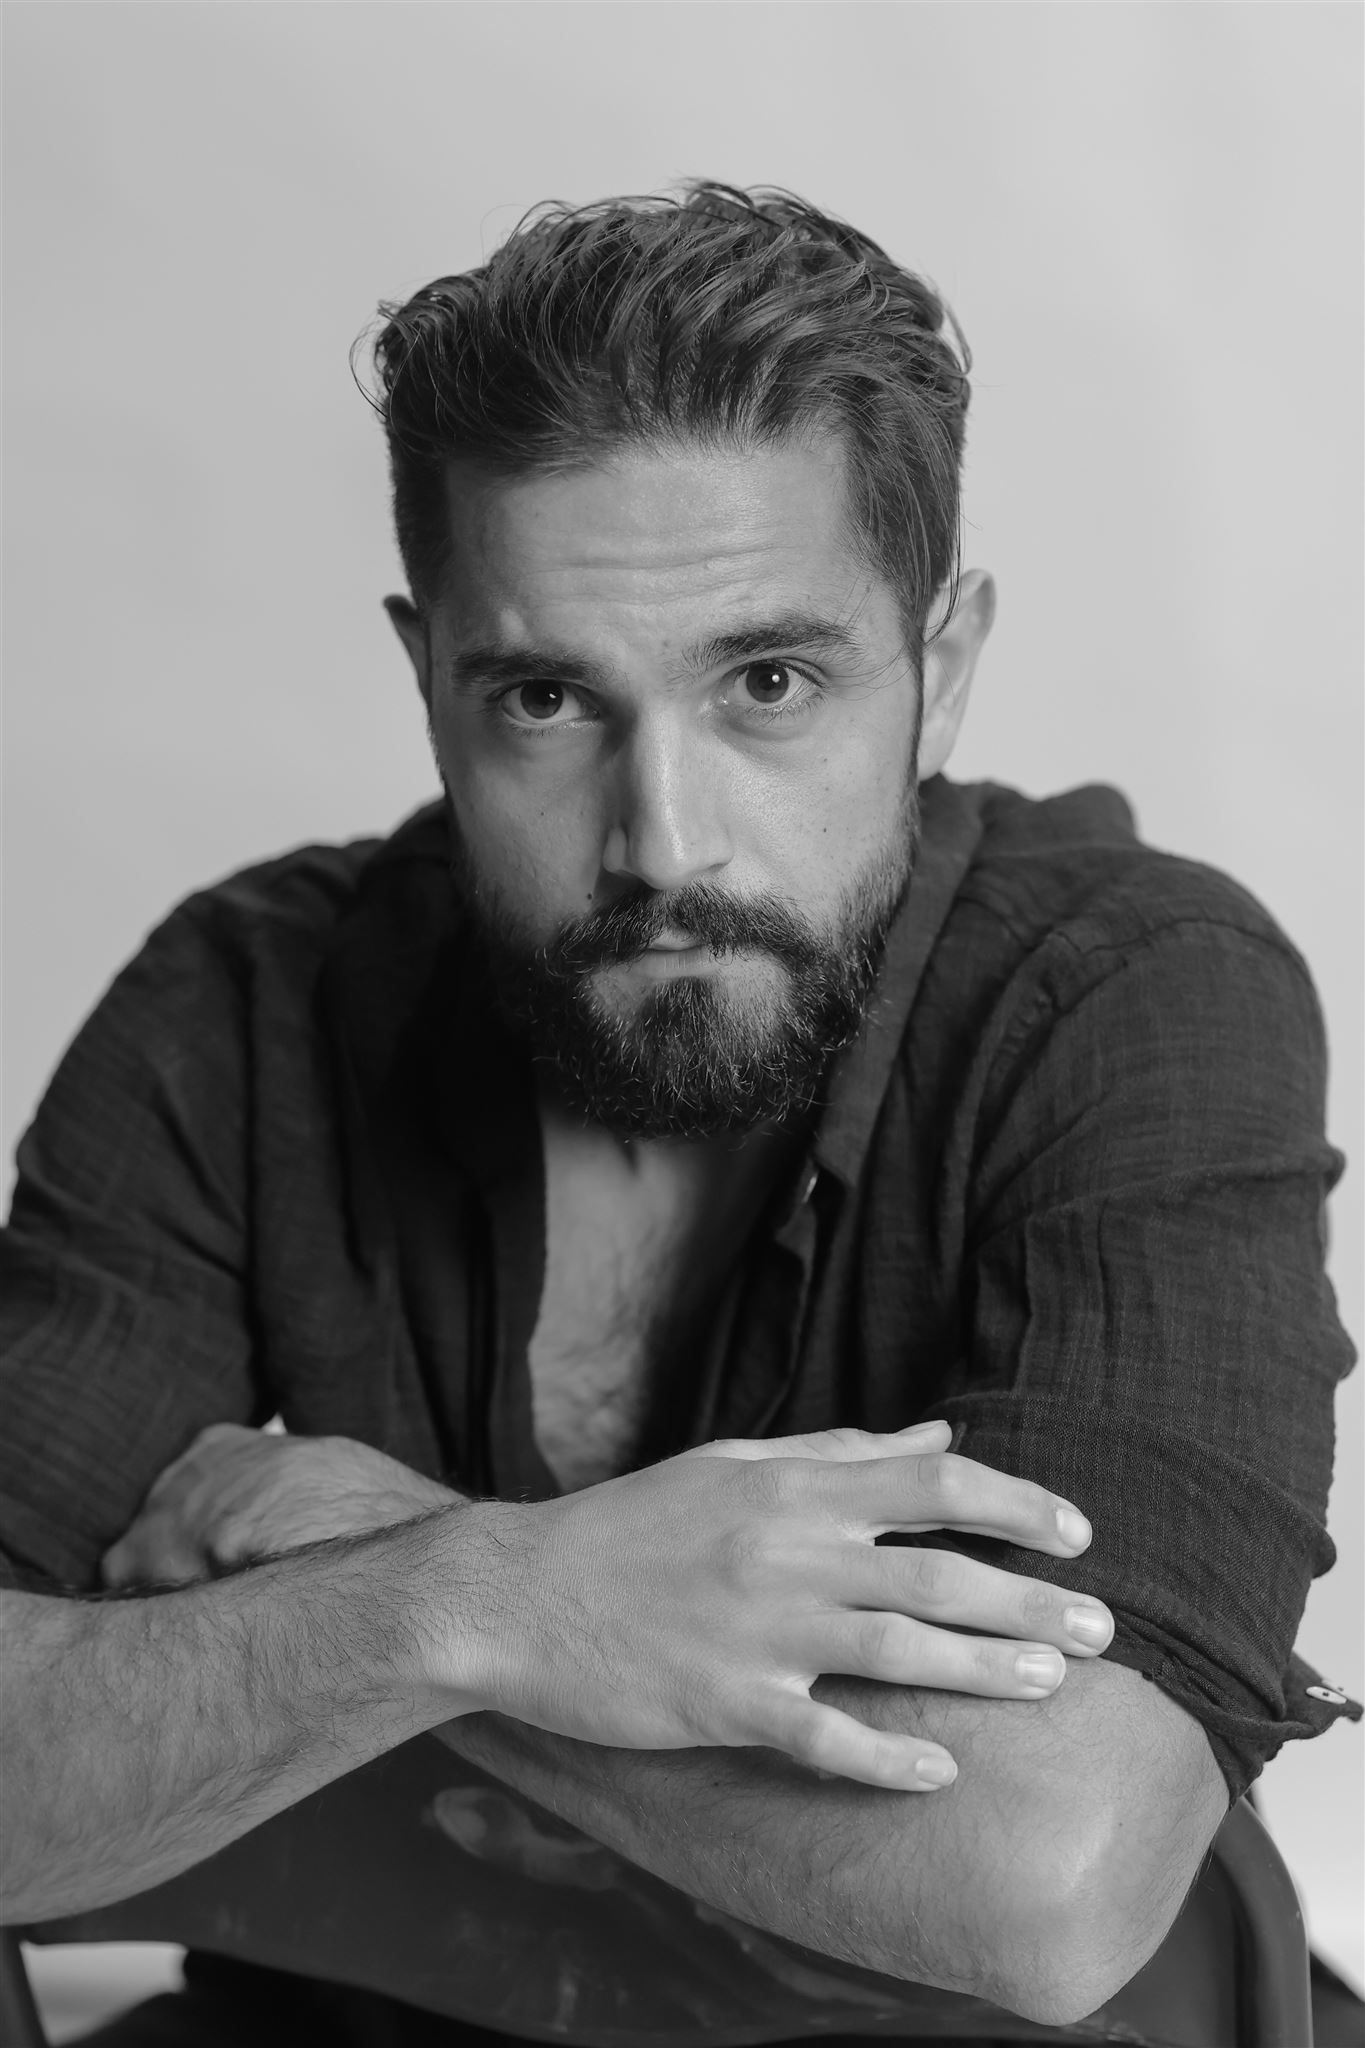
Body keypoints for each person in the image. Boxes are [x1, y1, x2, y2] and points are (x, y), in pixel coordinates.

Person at [0, 182, 1358, 2046]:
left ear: (941, 670)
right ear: (427, 680)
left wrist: (357, 1550)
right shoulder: (242, 1006)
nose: (663, 843)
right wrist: (470, 1601)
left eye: (769, 682)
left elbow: (1054, 1876)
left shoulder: (1130, 993)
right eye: (546, 699)